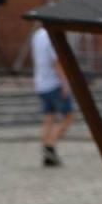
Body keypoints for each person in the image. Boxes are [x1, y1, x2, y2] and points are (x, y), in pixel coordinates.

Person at [30, 26, 74, 168]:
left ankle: (47, 151)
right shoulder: (53, 36)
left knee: (49, 116)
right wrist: (65, 83)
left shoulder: (38, 34)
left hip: (40, 82)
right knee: (68, 116)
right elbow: (56, 61)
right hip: (54, 83)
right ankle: (50, 146)